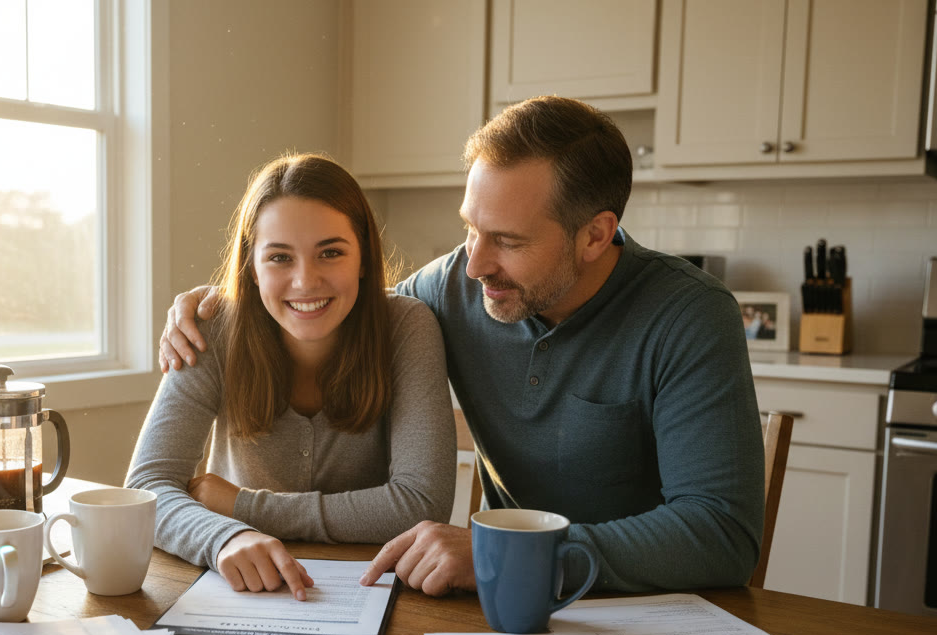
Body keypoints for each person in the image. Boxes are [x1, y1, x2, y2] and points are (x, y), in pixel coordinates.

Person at [159, 97, 765, 597]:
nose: (474, 264)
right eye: (470, 228)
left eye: (507, 240)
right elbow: (336, 303)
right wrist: (223, 304)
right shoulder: (450, 288)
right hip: (499, 602)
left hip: (649, 610)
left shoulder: (690, 316)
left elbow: (720, 535)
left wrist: (520, 555)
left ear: (595, 235)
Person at [125, 152, 454, 601]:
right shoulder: (212, 328)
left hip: (372, 592)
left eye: (331, 252)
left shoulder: (406, 327)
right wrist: (226, 537)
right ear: (252, 267)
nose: (305, 281)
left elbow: (420, 505)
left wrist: (242, 507)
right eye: (279, 257)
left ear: (363, 258)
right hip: (239, 589)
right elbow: (145, 488)